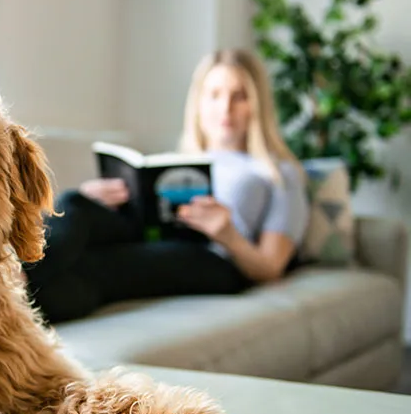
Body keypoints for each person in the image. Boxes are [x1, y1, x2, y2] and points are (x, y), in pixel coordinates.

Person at [23, 48, 310, 324]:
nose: (225, 108)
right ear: (198, 103)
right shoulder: (183, 159)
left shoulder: (279, 172)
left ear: (257, 105)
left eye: (240, 97)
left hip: (214, 258)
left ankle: (6, 298)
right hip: (151, 233)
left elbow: (271, 267)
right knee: (75, 204)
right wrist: (103, 200)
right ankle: (14, 284)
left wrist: (228, 235)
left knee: (99, 267)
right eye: (214, 95)